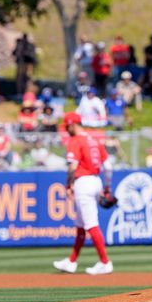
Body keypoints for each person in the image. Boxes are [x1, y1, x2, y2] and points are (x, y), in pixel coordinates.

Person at [53, 112, 114, 275]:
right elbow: (107, 166)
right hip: (96, 180)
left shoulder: (75, 140)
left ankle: (105, 262)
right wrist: (107, 186)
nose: (66, 130)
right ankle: (72, 262)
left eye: (67, 126)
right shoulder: (94, 139)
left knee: (91, 224)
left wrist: (68, 184)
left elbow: (72, 166)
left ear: (73, 124)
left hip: (83, 182)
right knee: (81, 225)